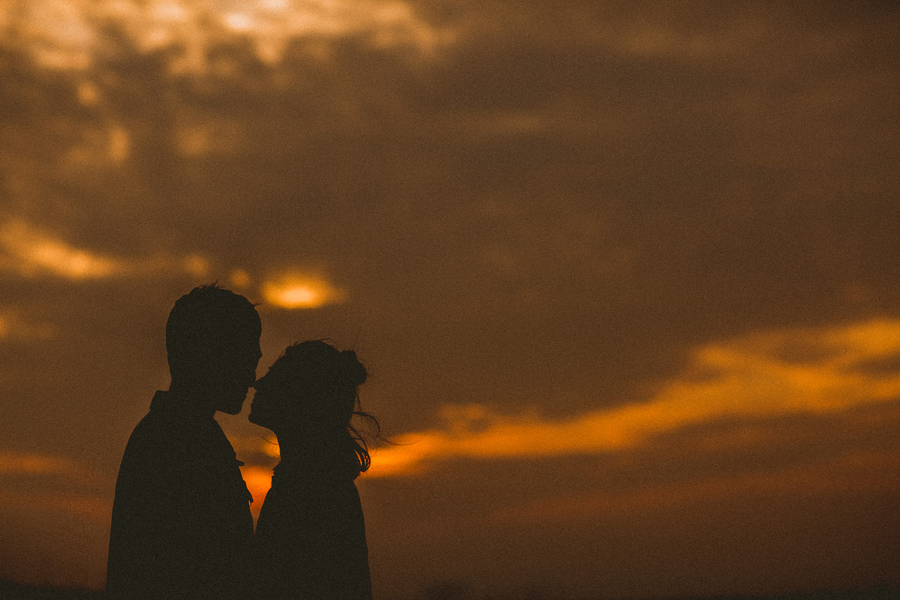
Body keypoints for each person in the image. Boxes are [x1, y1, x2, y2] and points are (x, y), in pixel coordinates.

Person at [106, 284, 262, 600]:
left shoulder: (183, 436)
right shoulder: (175, 444)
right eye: (244, 357)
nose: (251, 378)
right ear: (210, 355)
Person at [249, 340, 375, 600]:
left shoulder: (315, 493)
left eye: (274, 378)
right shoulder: (311, 482)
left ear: (302, 397)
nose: (258, 383)